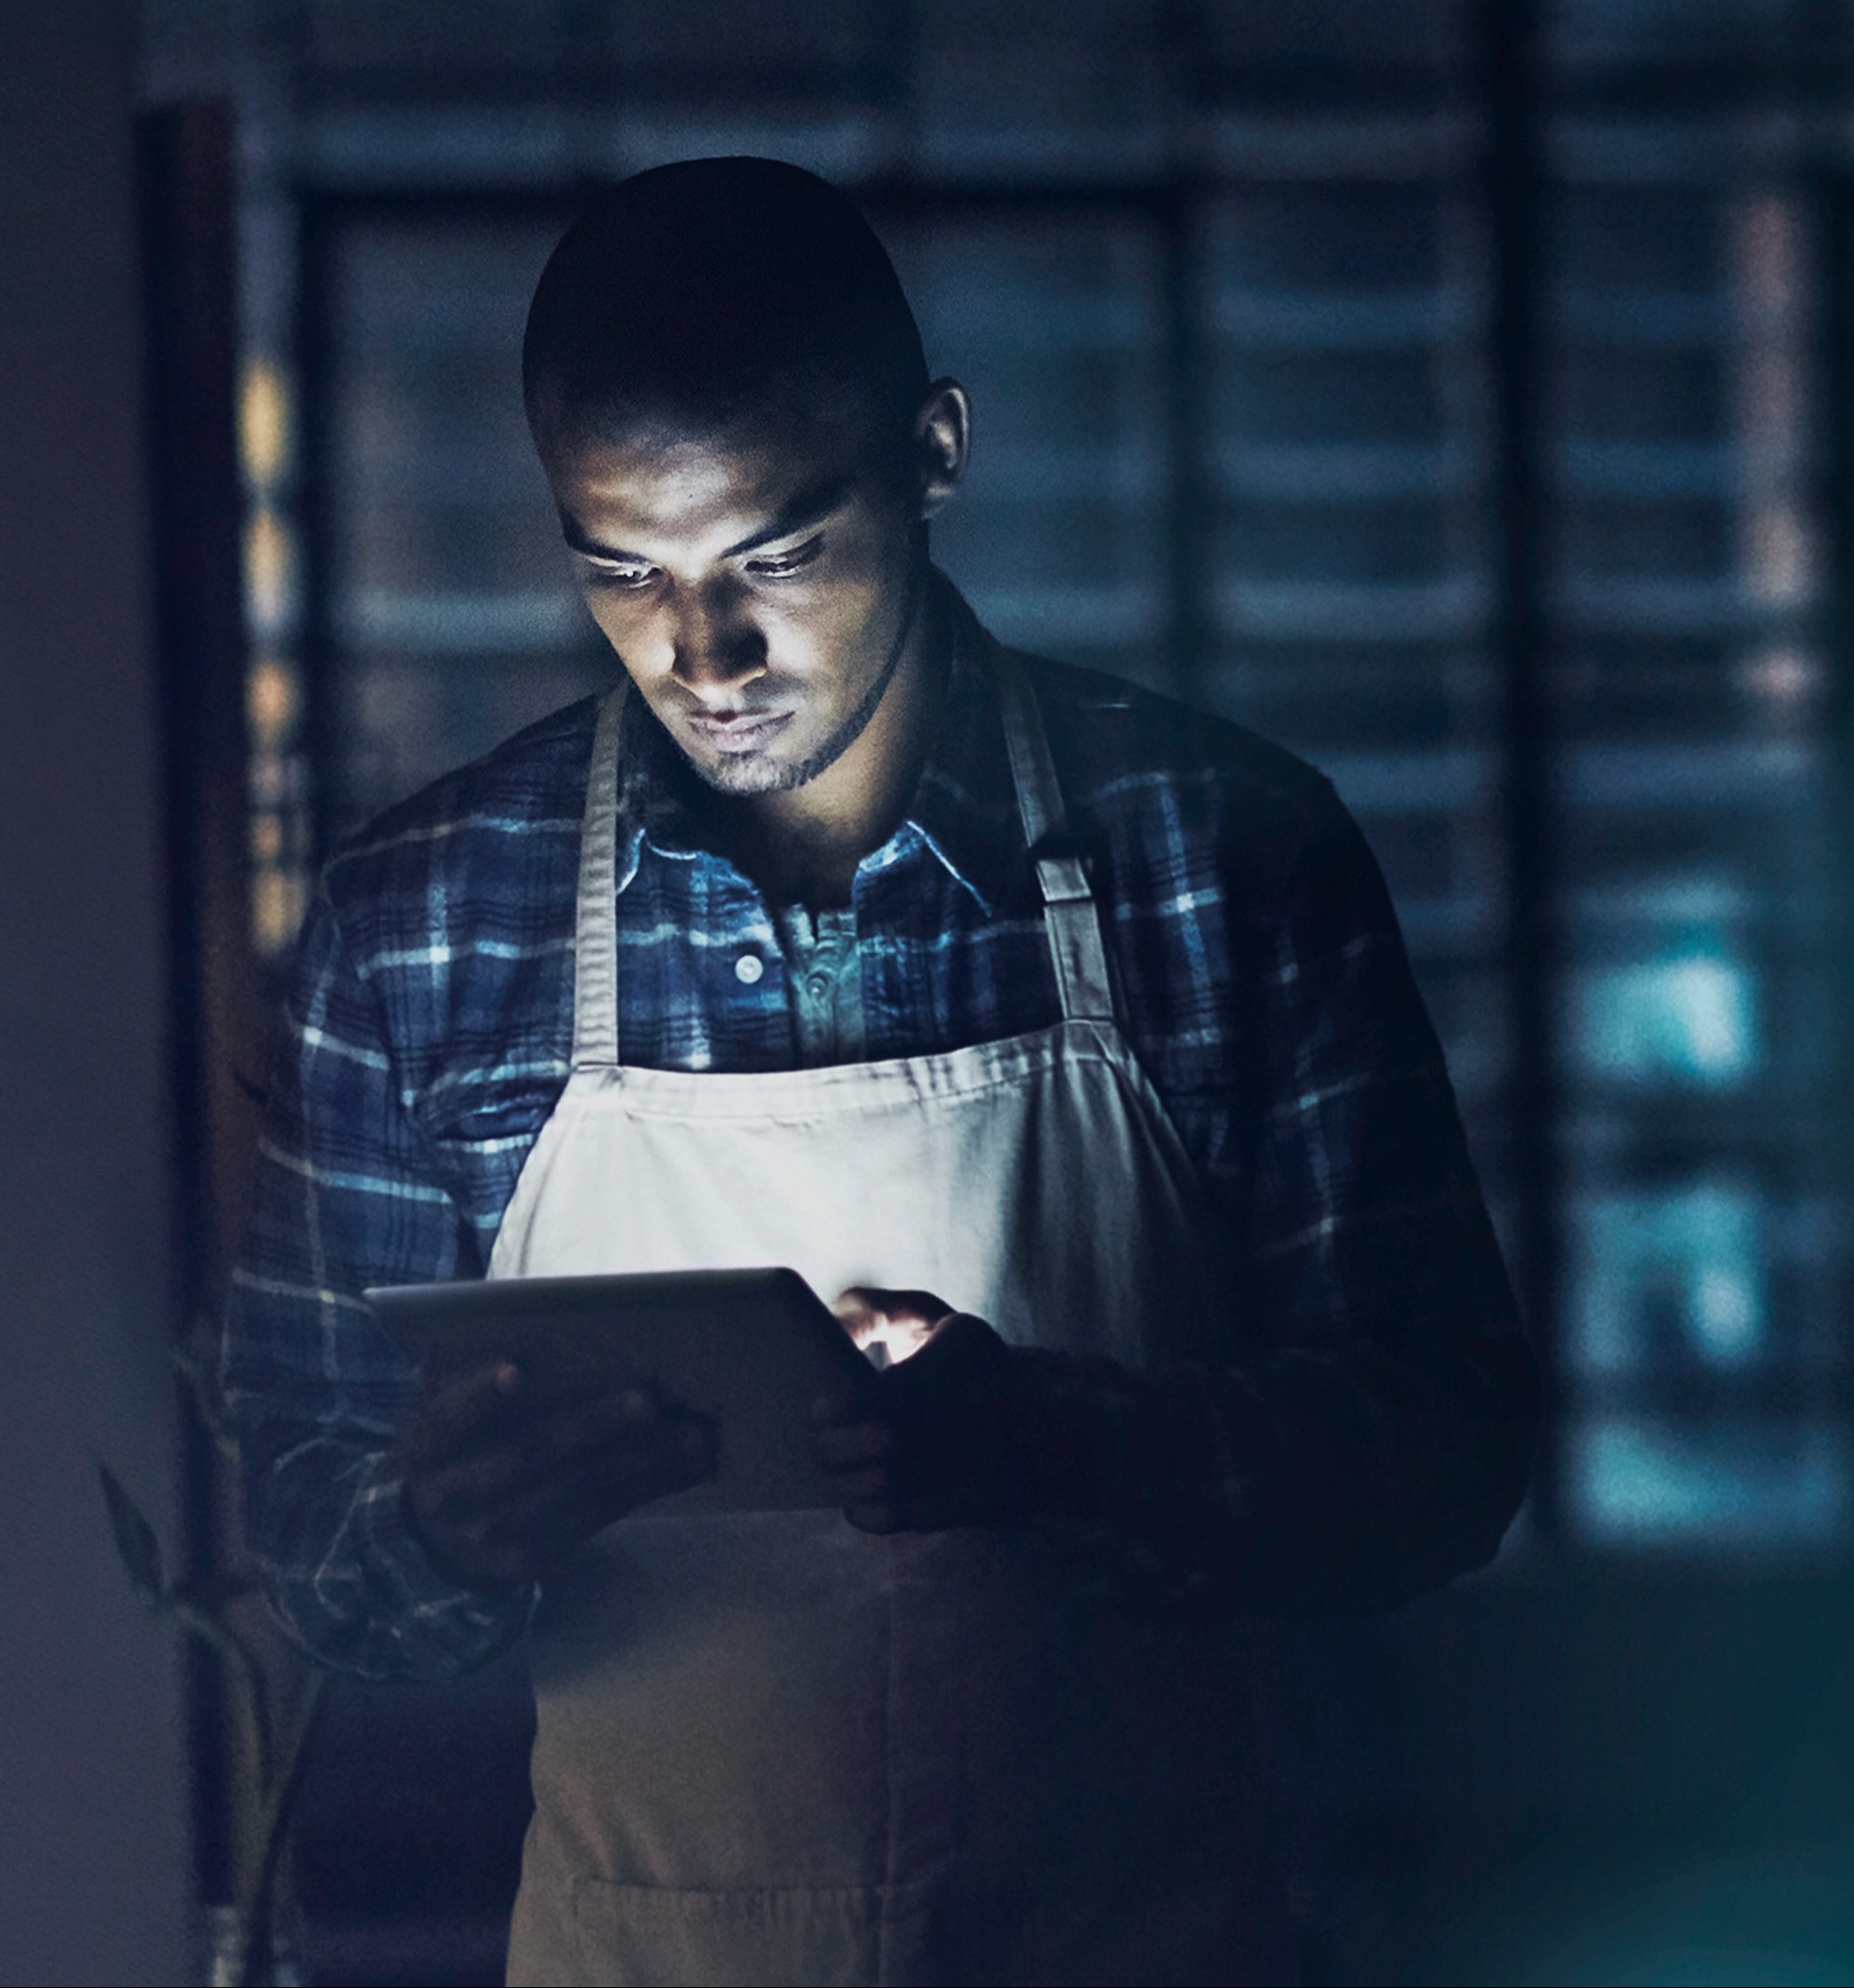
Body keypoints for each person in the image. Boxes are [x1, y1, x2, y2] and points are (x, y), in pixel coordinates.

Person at [221, 156, 1542, 1986]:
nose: (708, 654)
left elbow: (1447, 1453)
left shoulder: (1226, 857)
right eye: (624, 569)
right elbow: (297, 1525)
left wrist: (1063, 1444)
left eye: (776, 555)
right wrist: (439, 1530)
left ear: (934, 453)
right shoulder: (422, 928)